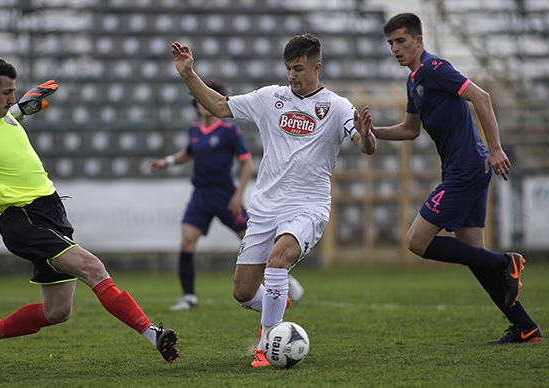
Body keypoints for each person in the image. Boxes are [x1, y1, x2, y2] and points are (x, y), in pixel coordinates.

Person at [0, 57, 179, 369]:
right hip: (21, 218)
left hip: (52, 211)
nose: (12, 98)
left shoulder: (5, 115)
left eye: (14, 92)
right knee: (93, 268)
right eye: (6, 92)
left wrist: (22, 108)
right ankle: (153, 334)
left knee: (58, 312)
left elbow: (4, 126)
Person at [171, 33, 375, 366]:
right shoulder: (271, 97)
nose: (292, 75)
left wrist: (367, 137)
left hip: (308, 205)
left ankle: (266, 346)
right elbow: (219, 106)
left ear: (316, 67)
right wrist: (189, 74)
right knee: (242, 291)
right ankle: (277, 301)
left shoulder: (337, 107)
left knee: (278, 260)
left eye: (298, 68)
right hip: (266, 208)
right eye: (288, 69)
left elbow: (365, 145)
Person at [372, 13, 541, 344]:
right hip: (464, 170)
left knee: (416, 241)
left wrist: (495, 149)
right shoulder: (414, 81)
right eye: (391, 43)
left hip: (467, 168)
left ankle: (508, 262)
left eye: (401, 41)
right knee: (473, 256)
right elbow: (410, 129)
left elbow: (482, 97)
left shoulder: (436, 69)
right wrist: (372, 131)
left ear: (419, 41)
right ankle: (524, 326)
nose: (395, 48)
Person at [148, 80, 305, 311]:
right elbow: (188, 152)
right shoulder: (194, 130)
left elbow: (246, 164)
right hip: (200, 195)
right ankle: (189, 298)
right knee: (186, 240)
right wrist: (167, 162)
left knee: (254, 242)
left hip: (225, 195)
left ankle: (285, 280)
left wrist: (238, 194)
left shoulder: (229, 131)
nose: (203, 104)